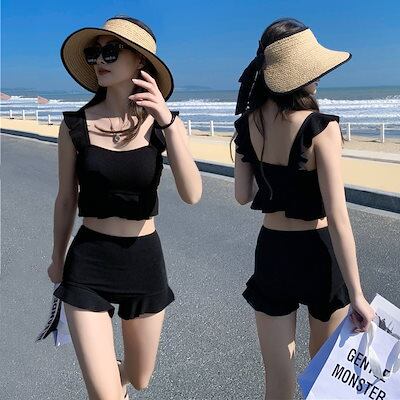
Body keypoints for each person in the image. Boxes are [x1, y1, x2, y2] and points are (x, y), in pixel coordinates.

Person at [47, 16, 202, 400]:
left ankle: (117, 374)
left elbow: (192, 193)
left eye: (111, 51)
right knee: (105, 396)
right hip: (89, 262)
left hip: (143, 260)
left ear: (140, 61)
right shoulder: (74, 126)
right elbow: (66, 198)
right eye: (94, 52)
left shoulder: (164, 124)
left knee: (139, 377)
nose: (100, 60)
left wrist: (167, 122)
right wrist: (56, 257)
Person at [233, 18, 375, 400]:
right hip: (319, 254)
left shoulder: (248, 123)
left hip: (272, 252)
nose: (318, 75)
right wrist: (358, 294)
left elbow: (242, 195)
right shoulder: (320, 128)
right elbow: (338, 217)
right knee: (325, 377)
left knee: (278, 380)